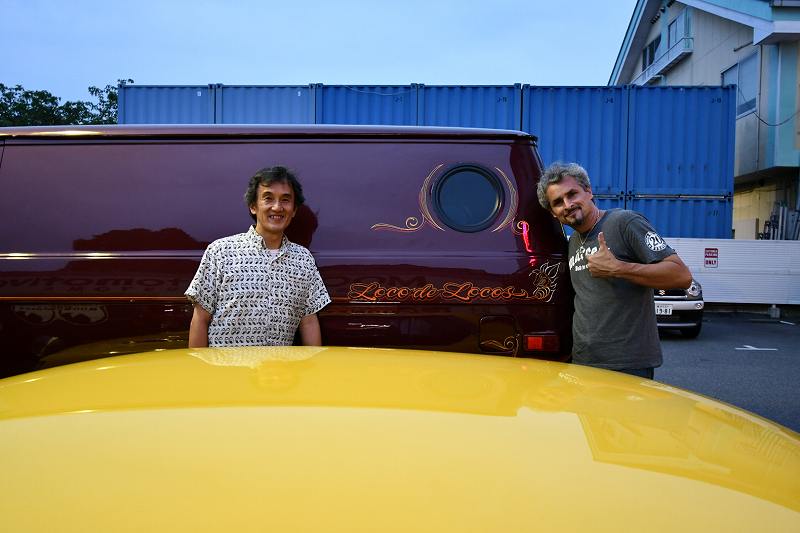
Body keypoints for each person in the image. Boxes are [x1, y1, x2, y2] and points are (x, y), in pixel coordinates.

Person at [537, 162, 692, 379]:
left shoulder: (624, 223)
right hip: (584, 361)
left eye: (572, 194)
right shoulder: (573, 242)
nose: (568, 204)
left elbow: (681, 275)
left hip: (627, 364)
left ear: (589, 191)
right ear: (553, 213)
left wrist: (618, 268)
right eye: (558, 202)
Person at [186, 166, 330, 348]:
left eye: (285, 200)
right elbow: (200, 319)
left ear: (294, 210)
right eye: (268, 198)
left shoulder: (303, 260)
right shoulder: (220, 252)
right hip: (225, 366)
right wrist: (198, 366)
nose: (277, 207)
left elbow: (308, 322)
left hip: (279, 366)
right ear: (253, 206)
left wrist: (314, 364)